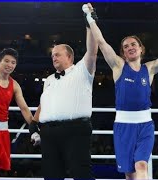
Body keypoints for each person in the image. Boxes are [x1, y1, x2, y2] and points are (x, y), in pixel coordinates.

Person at [83, 3, 158, 179]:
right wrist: (90, 17)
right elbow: (102, 43)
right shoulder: (118, 66)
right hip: (123, 126)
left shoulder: (149, 69)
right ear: (123, 53)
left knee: (142, 165)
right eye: (126, 46)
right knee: (130, 175)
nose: (130, 47)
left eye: (133, 44)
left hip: (145, 126)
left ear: (141, 48)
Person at [29, 7, 99, 179]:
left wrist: (89, 22)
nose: (53, 58)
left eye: (57, 55)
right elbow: (44, 103)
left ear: (70, 57)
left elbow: (92, 50)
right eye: (52, 55)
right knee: (51, 175)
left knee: (81, 173)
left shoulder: (83, 70)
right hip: (49, 133)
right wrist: (33, 124)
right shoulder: (50, 79)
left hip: (75, 130)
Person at [0, 48, 39, 179]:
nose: (9, 65)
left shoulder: (15, 85)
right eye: (6, 61)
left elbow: (24, 109)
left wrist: (34, 130)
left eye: (13, 62)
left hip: (2, 131)